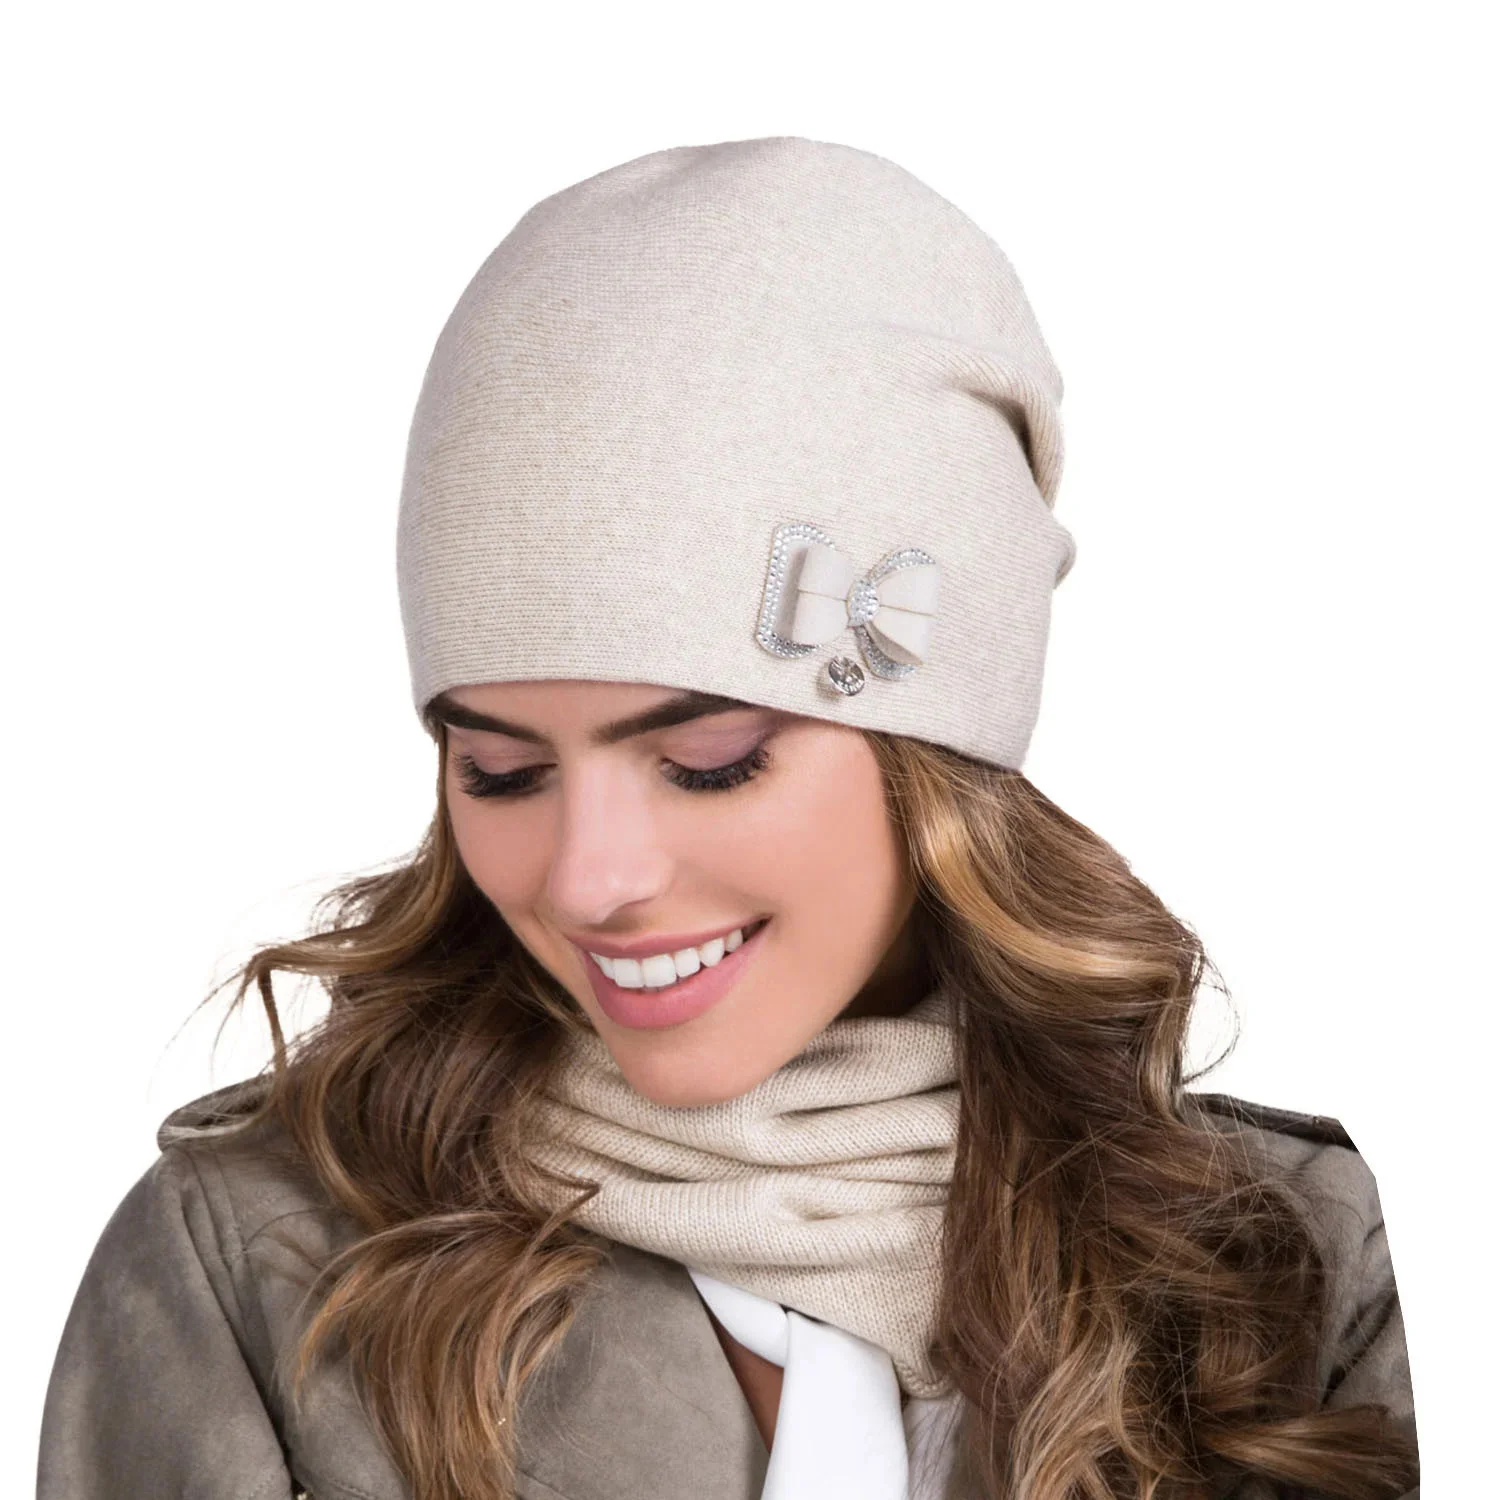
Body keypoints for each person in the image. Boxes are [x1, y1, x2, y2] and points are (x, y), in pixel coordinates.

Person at [36, 135, 1420, 1500]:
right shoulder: (256, 1269)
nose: (588, 879)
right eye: (502, 771)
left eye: (708, 761)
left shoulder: (1294, 1267)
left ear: (937, 754)